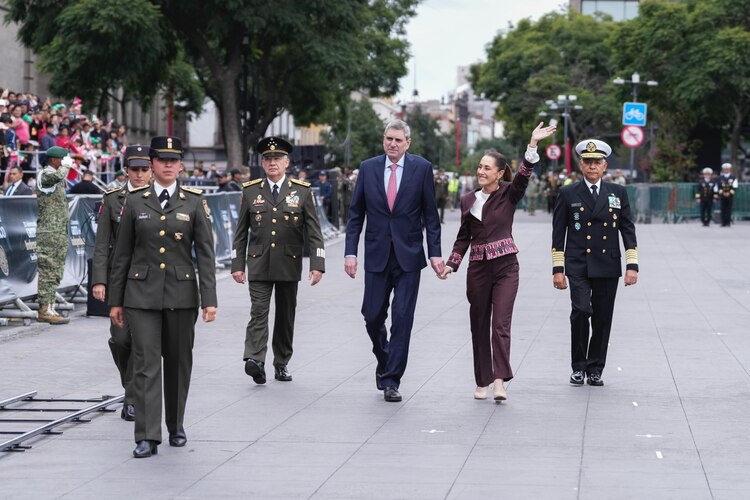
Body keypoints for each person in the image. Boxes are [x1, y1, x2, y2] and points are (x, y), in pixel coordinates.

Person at [108, 135, 217, 458]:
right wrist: (115, 300)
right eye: (162, 160)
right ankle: (146, 435)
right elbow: (122, 255)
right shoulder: (135, 202)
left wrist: (209, 299)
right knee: (145, 364)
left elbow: (206, 255)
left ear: (180, 164)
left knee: (179, 362)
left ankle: (176, 424)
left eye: (174, 160)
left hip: (182, 294)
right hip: (140, 295)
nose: (168, 165)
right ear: (152, 164)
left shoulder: (195, 201)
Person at [439, 123, 556, 401]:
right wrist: (451, 264)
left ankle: (500, 381)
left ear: (500, 173)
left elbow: (525, 176)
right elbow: (463, 237)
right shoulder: (468, 199)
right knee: (478, 324)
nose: (481, 171)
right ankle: (482, 380)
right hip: (478, 270)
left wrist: (532, 146)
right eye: (480, 167)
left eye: (487, 168)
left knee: (500, 324)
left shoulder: (509, 193)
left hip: (506, 269)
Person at [344, 119, 444, 402]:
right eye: (389, 138)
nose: (392, 144)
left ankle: (392, 380)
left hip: (409, 257)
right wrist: (350, 252)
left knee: (402, 317)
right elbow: (355, 215)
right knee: (371, 315)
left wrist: (434, 251)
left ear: (407, 143)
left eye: (398, 140)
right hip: (376, 255)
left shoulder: (421, 169)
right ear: (383, 140)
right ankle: (384, 356)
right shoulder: (368, 168)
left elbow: (430, 216)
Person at [231, 137, 325, 384]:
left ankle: (281, 361)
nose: (272, 163)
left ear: (287, 162)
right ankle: (255, 359)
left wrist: (317, 264)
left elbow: (314, 232)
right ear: (262, 163)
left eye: (277, 159)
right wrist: (237, 264)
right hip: (259, 261)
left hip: (288, 262)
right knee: (259, 312)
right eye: (267, 159)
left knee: (285, 315)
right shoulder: (251, 191)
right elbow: (241, 232)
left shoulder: (301, 191)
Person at [552, 139, 639, 387]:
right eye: (588, 162)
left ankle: (595, 368)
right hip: (578, 262)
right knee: (580, 311)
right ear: (581, 164)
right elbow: (558, 233)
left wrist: (632, 265)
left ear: (605, 166)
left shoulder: (617, 192)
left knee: (602, 317)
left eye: (597, 162)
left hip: (607, 264)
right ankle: (578, 366)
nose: (592, 166)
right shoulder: (568, 193)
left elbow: (627, 229)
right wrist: (558, 270)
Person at [92, 145, 153, 422]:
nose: (139, 175)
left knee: (142, 342)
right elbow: (102, 244)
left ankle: (132, 398)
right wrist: (99, 280)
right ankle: (130, 387)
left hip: (150, 279)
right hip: (121, 279)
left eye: (144, 170)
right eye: (135, 170)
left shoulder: (159, 198)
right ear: (125, 170)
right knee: (120, 340)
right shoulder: (114, 199)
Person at [35, 146, 72, 324]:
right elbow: (57, 176)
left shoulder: (56, 176)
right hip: (49, 232)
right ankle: (44, 309)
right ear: (55, 160)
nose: (66, 161)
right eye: (63, 159)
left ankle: (50, 307)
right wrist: (66, 167)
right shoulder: (45, 174)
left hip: (58, 231)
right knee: (48, 270)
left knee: (56, 271)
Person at [716, 162, 738, 227]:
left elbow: (735, 186)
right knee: (723, 209)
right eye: (725, 169)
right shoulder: (720, 178)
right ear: (723, 169)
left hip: (730, 196)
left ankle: (728, 222)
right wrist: (722, 192)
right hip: (722, 195)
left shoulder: (733, 177)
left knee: (729, 209)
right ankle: (723, 222)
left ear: (729, 169)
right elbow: (718, 186)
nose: (726, 170)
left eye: (727, 169)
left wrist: (729, 193)